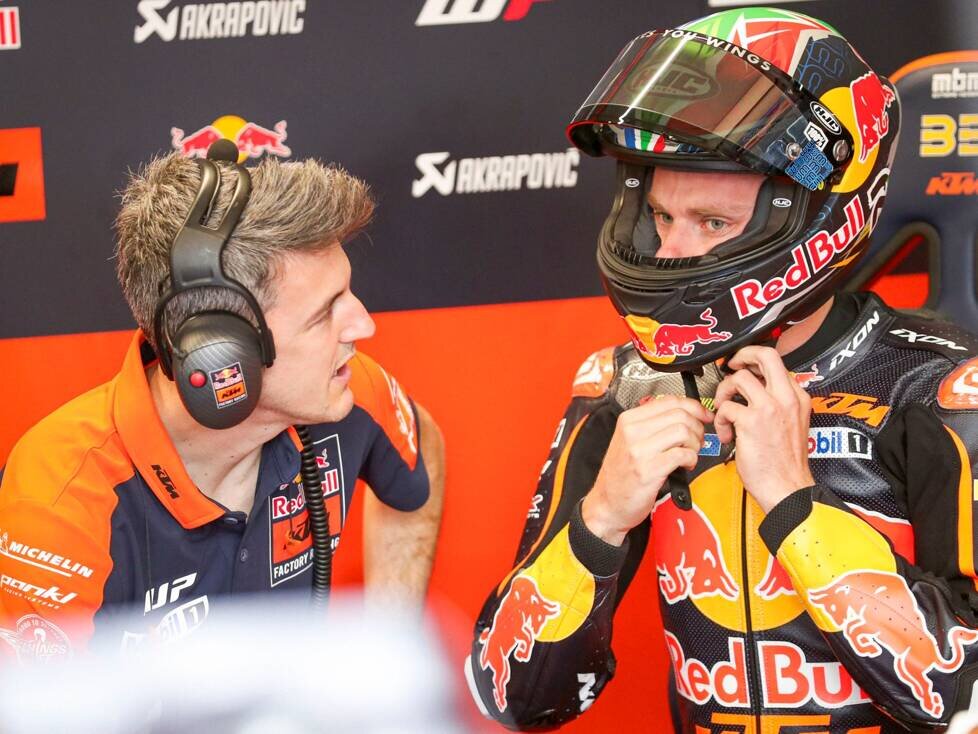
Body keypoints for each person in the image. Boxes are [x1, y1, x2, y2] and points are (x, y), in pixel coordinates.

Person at [467, 7, 978, 732]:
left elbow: (967, 698)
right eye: (660, 217)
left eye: (712, 223)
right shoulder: (624, 388)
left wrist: (796, 504)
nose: (672, 252)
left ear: (816, 215)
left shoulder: (939, 388)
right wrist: (600, 520)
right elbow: (516, 697)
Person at [0, 150, 444, 658]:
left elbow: (420, 447)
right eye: (324, 313)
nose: (364, 324)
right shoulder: (60, 509)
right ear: (222, 354)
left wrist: (388, 648)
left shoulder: (341, 393)